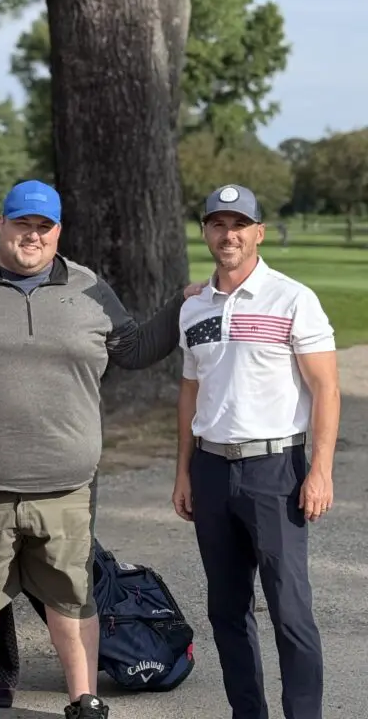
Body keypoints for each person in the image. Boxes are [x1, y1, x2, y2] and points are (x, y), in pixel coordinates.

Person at [0, 179, 205, 719]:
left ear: (58, 231)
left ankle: (85, 701)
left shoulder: (89, 288)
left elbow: (132, 350)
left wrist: (182, 305)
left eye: (44, 227)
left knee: (72, 595)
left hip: (66, 485)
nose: (32, 236)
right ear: (1, 224)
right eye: (22, 224)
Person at [172, 184, 340, 719]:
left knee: (290, 610)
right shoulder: (194, 305)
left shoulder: (293, 298)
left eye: (239, 224)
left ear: (258, 232)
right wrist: (183, 473)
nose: (229, 234)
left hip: (276, 471)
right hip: (211, 468)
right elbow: (190, 391)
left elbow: (326, 390)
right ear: (205, 232)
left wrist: (321, 471)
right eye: (218, 224)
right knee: (227, 610)